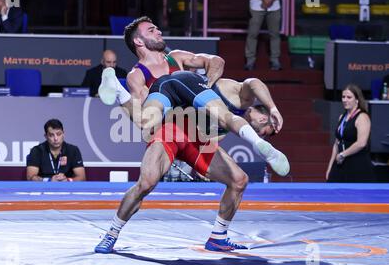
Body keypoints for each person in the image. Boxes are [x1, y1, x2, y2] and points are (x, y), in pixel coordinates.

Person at [94, 74, 281, 254]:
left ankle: (218, 236)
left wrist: (200, 164)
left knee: (239, 180)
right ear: (264, 118)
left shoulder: (229, 123)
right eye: (265, 131)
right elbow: (249, 79)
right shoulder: (238, 97)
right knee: (146, 183)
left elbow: (213, 138)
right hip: (172, 129)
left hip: (196, 139)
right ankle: (112, 233)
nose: (264, 132)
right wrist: (272, 107)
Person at [98, 16, 289, 177]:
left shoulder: (176, 57)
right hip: (178, 125)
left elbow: (215, 61)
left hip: (199, 113)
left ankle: (117, 90)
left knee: (237, 175)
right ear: (138, 41)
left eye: (157, 28)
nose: (159, 32)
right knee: (148, 124)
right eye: (151, 30)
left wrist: (207, 84)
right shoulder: (138, 75)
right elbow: (146, 115)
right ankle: (116, 88)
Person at [326, 85, 376, 182]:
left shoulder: (362, 117)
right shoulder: (342, 117)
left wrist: (343, 154)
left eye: (349, 97)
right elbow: (337, 144)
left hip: (357, 164)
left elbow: (361, 143)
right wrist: (330, 167)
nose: (345, 100)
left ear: (357, 100)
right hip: (340, 164)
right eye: (343, 97)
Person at [244, 0, 284, 71]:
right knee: (253, 33)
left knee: (275, 34)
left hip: (274, 6)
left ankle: (275, 60)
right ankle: (250, 61)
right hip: (256, 6)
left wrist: (269, 0)